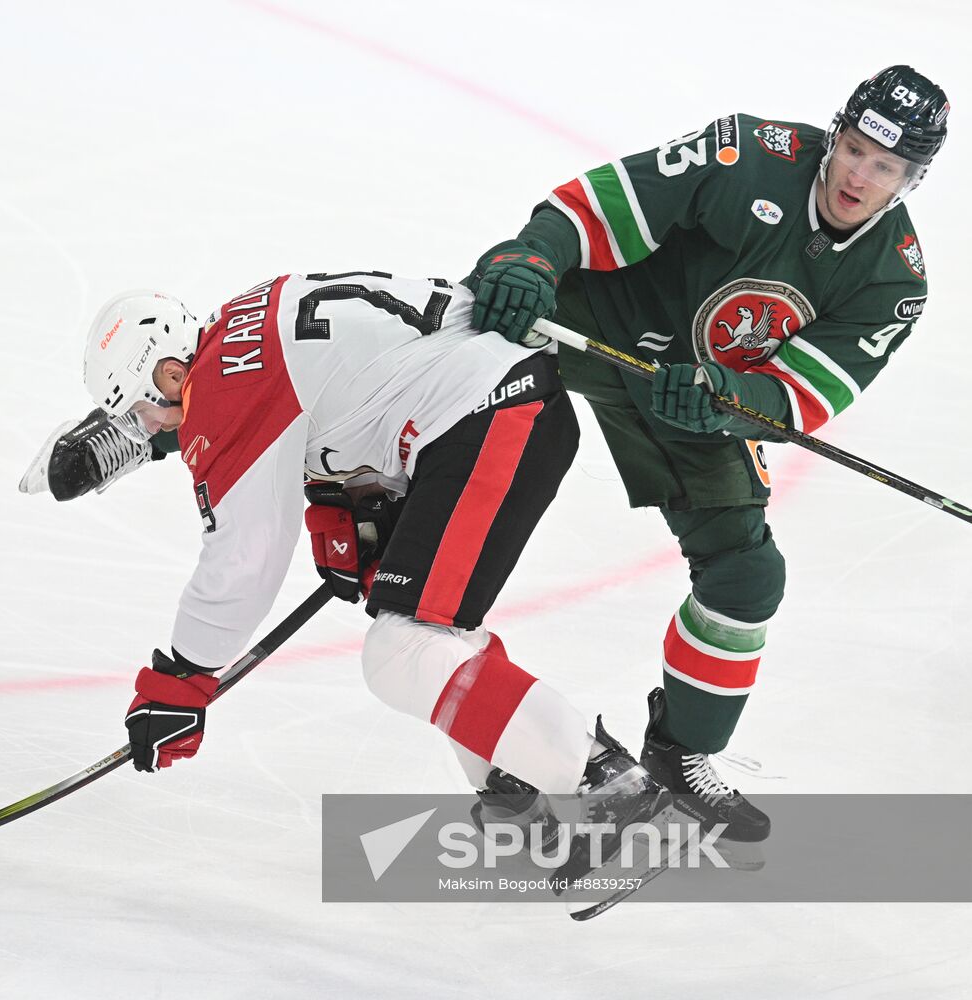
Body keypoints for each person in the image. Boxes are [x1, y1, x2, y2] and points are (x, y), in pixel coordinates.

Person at [463, 65, 950, 847]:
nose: (859, 175)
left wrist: (727, 396)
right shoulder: (745, 155)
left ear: (910, 178)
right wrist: (530, 260)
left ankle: (677, 755)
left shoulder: (892, 278)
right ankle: (494, 743)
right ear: (836, 133)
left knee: (746, 573)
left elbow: (803, 393)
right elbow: (597, 207)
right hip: (580, 321)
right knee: (453, 383)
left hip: (688, 396)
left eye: (885, 166)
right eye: (854, 148)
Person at [67, 274, 671, 881]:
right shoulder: (242, 328)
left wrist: (183, 676)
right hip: (487, 408)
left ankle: (606, 783)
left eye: (145, 410)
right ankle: (517, 782)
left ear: (171, 373)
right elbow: (362, 388)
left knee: (401, 648)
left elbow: (245, 555)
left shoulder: (222, 387)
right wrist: (355, 510)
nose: (154, 427)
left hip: (491, 417)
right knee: (428, 633)